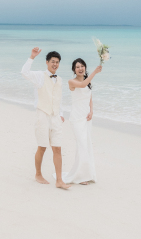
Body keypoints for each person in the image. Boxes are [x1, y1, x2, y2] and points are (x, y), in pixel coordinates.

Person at [21, 47, 70, 190]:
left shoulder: (59, 79)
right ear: (47, 62)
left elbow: (58, 98)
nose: (55, 64)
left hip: (55, 117)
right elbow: (24, 73)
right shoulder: (40, 76)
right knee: (42, 147)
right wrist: (32, 57)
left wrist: (61, 114)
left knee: (57, 148)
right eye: (53, 61)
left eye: (57, 62)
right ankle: (38, 174)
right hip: (42, 115)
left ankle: (59, 180)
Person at [60, 58, 102, 185]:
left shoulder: (87, 82)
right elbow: (82, 85)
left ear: (85, 67)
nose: (80, 68)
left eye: (82, 66)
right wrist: (94, 72)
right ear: (74, 69)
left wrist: (91, 111)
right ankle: (81, 176)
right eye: (77, 67)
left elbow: (90, 97)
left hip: (86, 118)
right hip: (76, 118)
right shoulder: (71, 82)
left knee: (86, 145)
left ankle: (85, 174)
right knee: (82, 145)